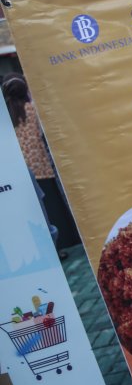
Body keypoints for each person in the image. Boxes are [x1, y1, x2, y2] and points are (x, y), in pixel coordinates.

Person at [3, 73, 74, 258]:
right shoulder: (33, 109)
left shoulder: (6, 117)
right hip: (42, 165)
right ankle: (66, 241)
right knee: (52, 206)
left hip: (21, 170)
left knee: (36, 213)